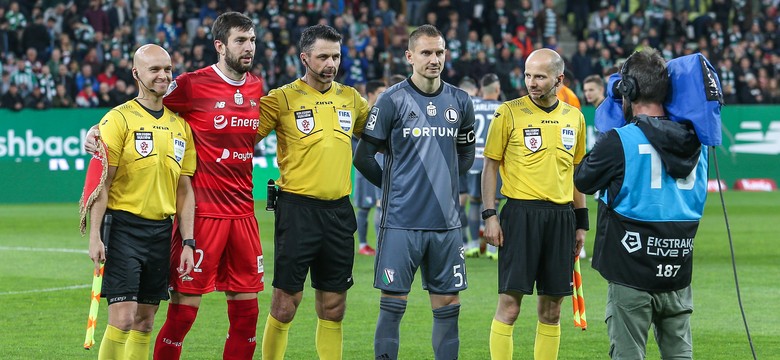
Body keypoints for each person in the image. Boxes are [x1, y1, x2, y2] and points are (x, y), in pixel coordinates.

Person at [574, 49, 708, 360]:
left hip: (630, 272)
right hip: (678, 269)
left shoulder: (618, 141)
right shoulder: (699, 143)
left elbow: (582, 180)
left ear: (628, 89)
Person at [353, 24, 476, 360]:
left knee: (449, 306)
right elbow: (363, 157)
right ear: (410, 56)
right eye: (426, 52)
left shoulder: (461, 101)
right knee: (392, 307)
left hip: (447, 224)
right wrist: (395, 187)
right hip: (401, 223)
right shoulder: (392, 100)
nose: (433, 59)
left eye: (438, 52)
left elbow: (464, 155)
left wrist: (442, 183)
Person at [152, 12, 266, 360]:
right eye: (240, 41)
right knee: (183, 314)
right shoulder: (190, 84)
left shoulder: (256, 87)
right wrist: (100, 129)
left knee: (247, 317)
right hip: (202, 216)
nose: (249, 48)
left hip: (244, 216)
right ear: (220, 46)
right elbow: (146, 109)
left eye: (252, 40)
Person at [257, 24, 369, 360]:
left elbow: (380, 137)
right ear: (305, 57)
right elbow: (239, 136)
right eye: (323, 56)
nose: (331, 63)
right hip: (297, 211)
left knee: (334, 306)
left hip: (338, 212)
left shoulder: (351, 99)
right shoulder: (281, 99)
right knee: (285, 302)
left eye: (336, 56)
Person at [88, 44, 196, 360]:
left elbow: (185, 190)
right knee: (122, 317)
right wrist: (95, 236)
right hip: (123, 228)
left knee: (145, 322)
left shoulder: (181, 127)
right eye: (154, 69)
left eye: (167, 69)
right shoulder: (118, 119)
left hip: (161, 231)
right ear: (137, 73)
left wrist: (188, 241)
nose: (163, 75)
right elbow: (102, 183)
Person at [482, 48, 588, 360]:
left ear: (559, 79)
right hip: (520, 215)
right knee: (510, 306)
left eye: (540, 76)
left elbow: (575, 174)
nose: (532, 82)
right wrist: (490, 215)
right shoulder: (508, 112)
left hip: (561, 218)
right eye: (528, 75)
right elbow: (490, 166)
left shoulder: (575, 118)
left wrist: (581, 223)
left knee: (552, 309)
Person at [463, 73, 504, 260]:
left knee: (473, 202)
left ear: (481, 90)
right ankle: (492, 249)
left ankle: (471, 245)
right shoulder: (503, 108)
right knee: (493, 203)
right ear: (497, 90)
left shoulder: (472, 105)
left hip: (473, 160)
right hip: (492, 162)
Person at [352, 79, 387, 256]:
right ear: (371, 94)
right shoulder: (363, 113)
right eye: (381, 92)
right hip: (366, 167)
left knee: (382, 205)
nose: (385, 95)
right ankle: (363, 244)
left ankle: (382, 244)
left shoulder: (385, 111)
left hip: (384, 164)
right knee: (364, 207)